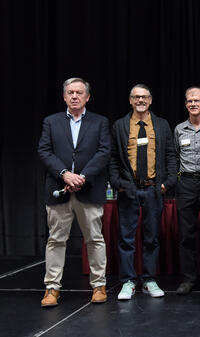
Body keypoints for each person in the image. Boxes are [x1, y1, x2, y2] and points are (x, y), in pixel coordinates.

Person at [38, 78, 110, 307]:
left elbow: (104, 151)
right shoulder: (51, 121)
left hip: (89, 190)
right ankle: (51, 289)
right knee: (56, 240)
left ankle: (99, 285)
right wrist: (64, 174)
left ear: (87, 97)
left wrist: (82, 177)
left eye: (79, 92)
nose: (75, 96)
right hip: (58, 189)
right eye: (70, 92)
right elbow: (44, 151)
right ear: (64, 97)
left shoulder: (100, 122)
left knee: (95, 239)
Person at [109, 84, 177, 300]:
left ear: (150, 100)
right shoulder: (120, 125)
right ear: (130, 100)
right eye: (136, 97)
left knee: (152, 238)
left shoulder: (162, 125)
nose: (140, 100)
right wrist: (118, 183)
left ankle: (148, 279)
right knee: (126, 239)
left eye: (144, 97)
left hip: (153, 189)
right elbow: (112, 158)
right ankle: (128, 281)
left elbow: (170, 156)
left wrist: (167, 183)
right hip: (128, 190)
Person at [173, 86, 200, 295]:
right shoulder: (179, 129)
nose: (193, 104)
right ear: (186, 104)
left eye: (197, 100)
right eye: (189, 101)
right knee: (186, 235)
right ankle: (188, 279)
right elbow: (175, 155)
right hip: (187, 184)